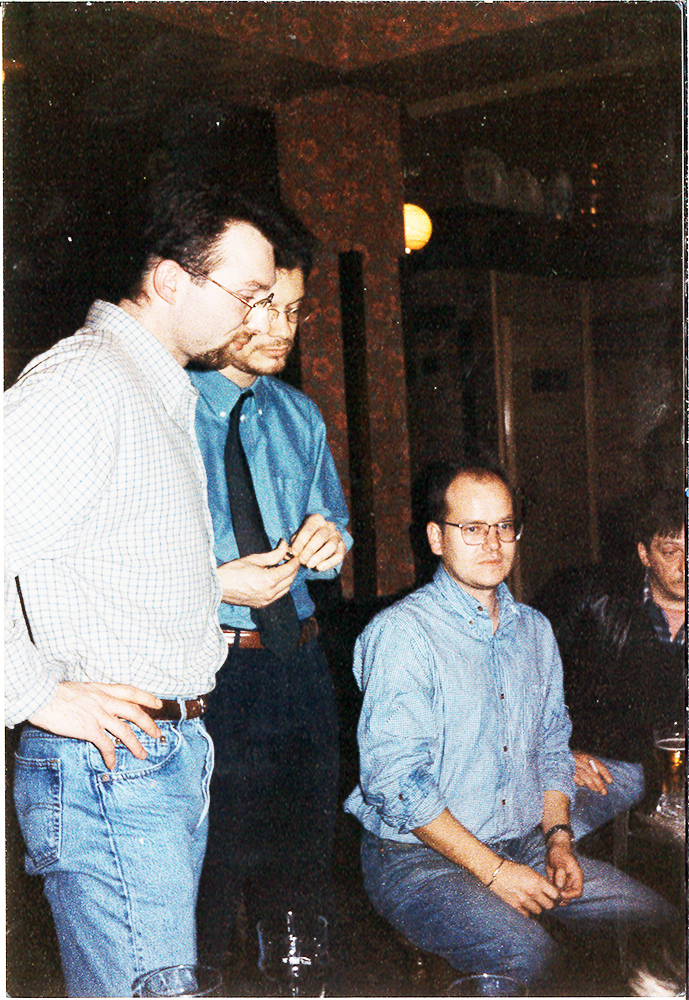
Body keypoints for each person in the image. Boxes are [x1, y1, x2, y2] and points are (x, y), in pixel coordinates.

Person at [4, 172, 303, 998]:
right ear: (171, 280)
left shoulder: (153, 387)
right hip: (111, 764)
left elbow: (100, 556)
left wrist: (210, 584)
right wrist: (33, 691)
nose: (259, 317)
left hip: (157, 757)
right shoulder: (86, 383)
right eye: (248, 295)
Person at [344, 462, 675, 990]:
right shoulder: (403, 635)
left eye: (503, 526)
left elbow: (551, 747)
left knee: (661, 926)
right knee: (535, 959)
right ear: (436, 538)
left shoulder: (535, 631)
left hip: (522, 842)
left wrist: (559, 841)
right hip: (416, 859)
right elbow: (397, 783)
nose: (493, 543)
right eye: (472, 529)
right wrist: (495, 873)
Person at [190, 231, 352, 968]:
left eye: (294, 310)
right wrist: (217, 578)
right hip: (211, 674)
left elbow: (334, 530)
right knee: (209, 885)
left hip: (300, 666)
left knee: (301, 883)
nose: (284, 329)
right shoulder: (168, 411)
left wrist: (330, 541)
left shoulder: (298, 416)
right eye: (265, 307)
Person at [534, 487, 686, 840]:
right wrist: (557, 753)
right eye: (671, 551)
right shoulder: (593, 599)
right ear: (644, 554)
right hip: (609, 768)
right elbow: (523, 674)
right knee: (552, 840)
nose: (685, 565)